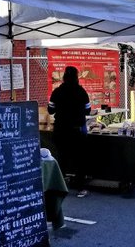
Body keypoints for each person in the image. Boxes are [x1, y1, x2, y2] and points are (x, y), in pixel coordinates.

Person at [48, 66, 91, 198]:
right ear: (77, 77)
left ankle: (60, 186)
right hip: (76, 130)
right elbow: (88, 110)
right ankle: (81, 188)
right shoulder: (81, 91)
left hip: (60, 129)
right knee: (80, 159)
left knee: (62, 157)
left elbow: (50, 110)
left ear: (64, 77)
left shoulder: (57, 91)